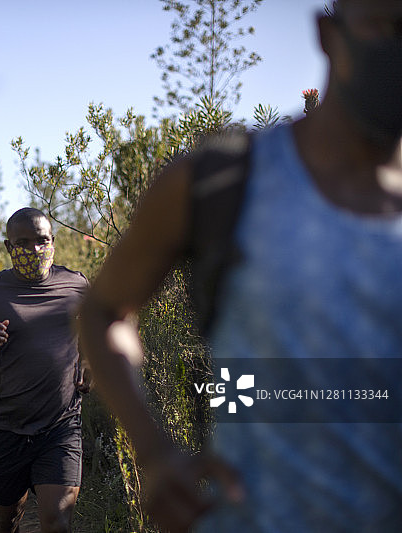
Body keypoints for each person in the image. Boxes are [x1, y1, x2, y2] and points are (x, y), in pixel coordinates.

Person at [78, 2, 402, 532]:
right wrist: (153, 450)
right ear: (328, 35)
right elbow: (103, 311)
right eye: (391, 27)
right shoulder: (223, 182)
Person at [0, 207, 90, 533]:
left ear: (53, 241)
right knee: (7, 520)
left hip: (60, 427)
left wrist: (88, 361)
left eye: (42, 241)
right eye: (23, 243)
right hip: (4, 429)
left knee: (57, 522)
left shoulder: (76, 285)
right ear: (8, 246)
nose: (34, 250)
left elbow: (101, 328)